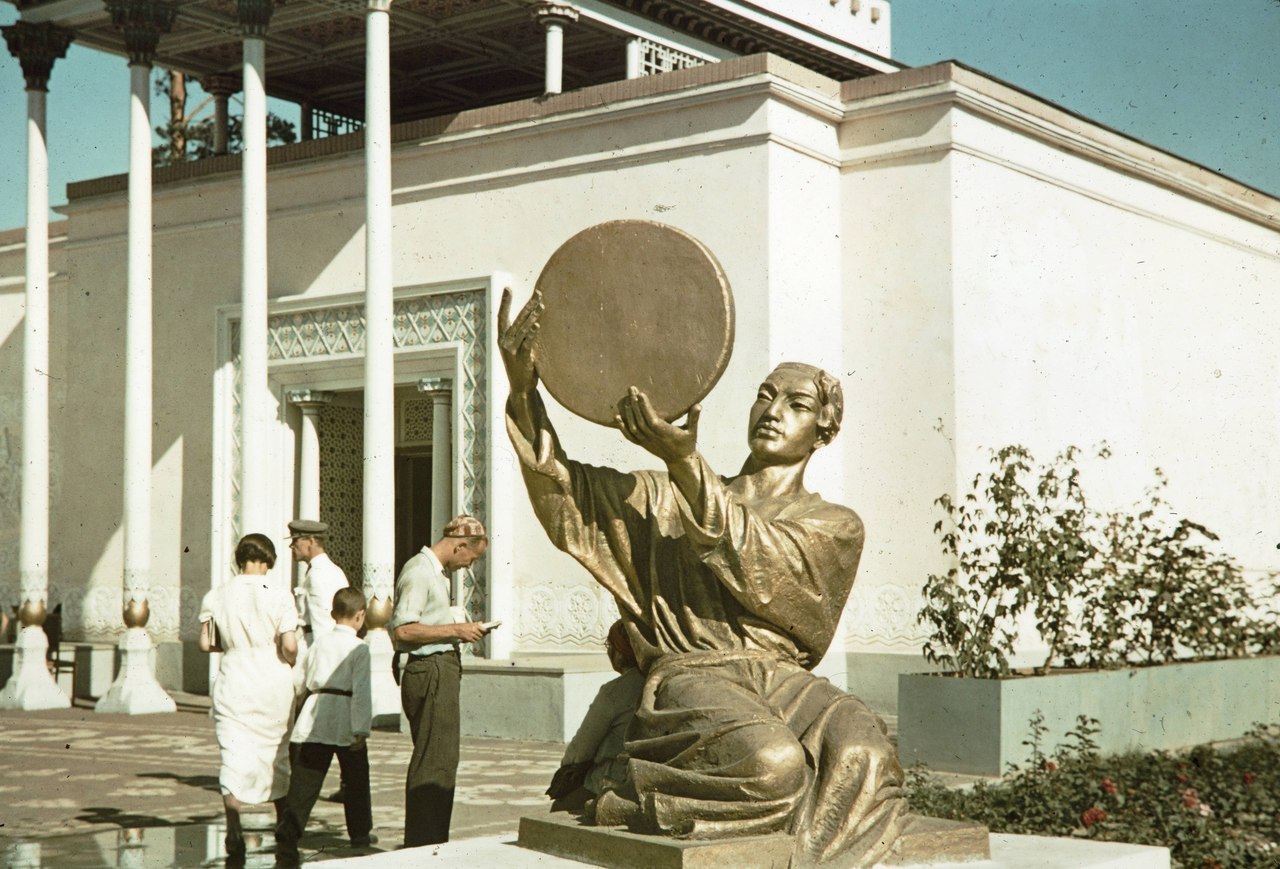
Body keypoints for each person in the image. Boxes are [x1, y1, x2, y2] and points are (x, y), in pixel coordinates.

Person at [499, 288, 907, 868]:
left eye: (796, 404)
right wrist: (523, 390)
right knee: (772, 767)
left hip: (782, 678)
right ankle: (626, 786)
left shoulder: (833, 524)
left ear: (823, 430)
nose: (772, 411)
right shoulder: (666, 495)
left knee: (865, 756)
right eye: (765, 396)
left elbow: (758, 562)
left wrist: (685, 465)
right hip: (692, 671)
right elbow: (568, 495)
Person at [388, 514, 494, 848]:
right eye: (471, 558)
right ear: (460, 545)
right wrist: (456, 630)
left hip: (439, 668)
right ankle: (422, 845)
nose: (468, 566)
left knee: (442, 760)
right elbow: (403, 629)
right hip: (429, 669)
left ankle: (432, 841)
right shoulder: (419, 572)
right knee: (433, 762)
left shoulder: (436, 574)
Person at [198, 533, 299, 866]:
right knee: (277, 753)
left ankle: (233, 824)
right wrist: (290, 660)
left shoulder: (217, 594)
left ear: (240, 559)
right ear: (266, 561)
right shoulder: (279, 594)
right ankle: (284, 823)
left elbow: (205, 644)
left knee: (233, 753)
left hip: (234, 677)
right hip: (272, 679)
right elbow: (289, 646)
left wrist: (232, 645)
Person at [275, 587, 374, 867]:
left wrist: (295, 709)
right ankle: (360, 834)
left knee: (306, 778)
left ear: (332, 615)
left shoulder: (319, 643)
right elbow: (362, 690)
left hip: (315, 712)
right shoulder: (359, 648)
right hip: (344, 714)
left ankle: (289, 830)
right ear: (361, 616)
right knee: (355, 779)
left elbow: (299, 679)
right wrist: (361, 729)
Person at [546, 619, 644, 813]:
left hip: (613, 780)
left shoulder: (614, 692)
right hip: (646, 777)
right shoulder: (658, 681)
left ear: (620, 653)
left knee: (560, 809)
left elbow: (581, 750)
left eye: (610, 646)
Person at [287, 519, 351, 648]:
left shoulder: (318, 575)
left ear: (311, 541)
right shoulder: (331, 570)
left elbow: (322, 624)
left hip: (316, 646)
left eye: (295, 540)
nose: (291, 546)